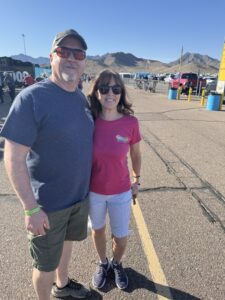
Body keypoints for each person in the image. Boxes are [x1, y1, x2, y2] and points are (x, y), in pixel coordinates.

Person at [0, 29, 94, 300]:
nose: (72, 58)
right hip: (47, 206)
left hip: (77, 198)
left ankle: (62, 286)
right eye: (64, 52)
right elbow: (13, 157)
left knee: (67, 245)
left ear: (84, 61)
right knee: (43, 265)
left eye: (79, 54)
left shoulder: (78, 96)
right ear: (52, 57)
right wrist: (31, 209)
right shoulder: (32, 98)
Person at [87, 69, 142, 290]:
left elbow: (136, 155)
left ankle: (117, 263)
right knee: (97, 230)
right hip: (94, 192)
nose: (110, 93)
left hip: (121, 191)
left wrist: (137, 180)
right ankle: (103, 263)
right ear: (97, 92)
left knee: (120, 236)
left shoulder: (130, 122)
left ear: (121, 92)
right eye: (104, 88)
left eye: (116, 88)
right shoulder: (89, 121)